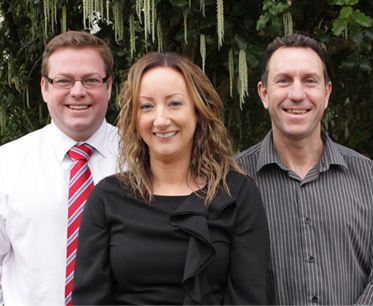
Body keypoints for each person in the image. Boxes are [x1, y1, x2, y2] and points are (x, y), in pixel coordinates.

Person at [71, 52, 270, 305]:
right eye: (146, 106)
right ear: (134, 118)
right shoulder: (106, 197)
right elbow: (90, 299)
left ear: (198, 111)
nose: (161, 120)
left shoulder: (237, 194)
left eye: (175, 103)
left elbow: (248, 298)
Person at [236, 33, 373, 305]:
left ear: (326, 94)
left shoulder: (372, 180)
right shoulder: (232, 181)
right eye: (283, 80)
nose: (296, 94)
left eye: (309, 81)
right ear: (264, 94)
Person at [0, 31, 120, 305]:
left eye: (91, 80)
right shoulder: (3, 165)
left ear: (109, 87)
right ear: (45, 88)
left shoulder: (142, 158)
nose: (78, 91)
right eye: (64, 81)